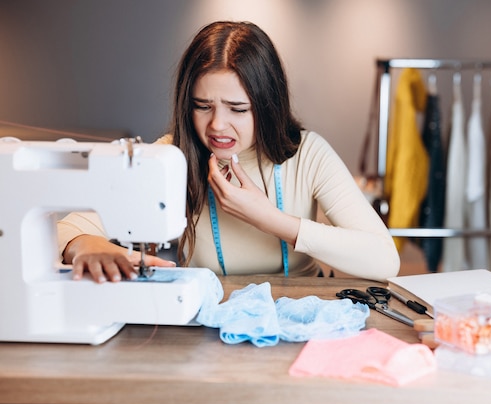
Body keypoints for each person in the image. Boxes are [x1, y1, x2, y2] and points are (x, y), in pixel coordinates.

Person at [57, 20, 400, 282]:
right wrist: (86, 243)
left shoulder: (308, 153)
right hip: (210, 318)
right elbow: (66, 228)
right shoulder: (171, 156)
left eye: (237, 109)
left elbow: (385, 259)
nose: (217, 125)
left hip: (301, 311)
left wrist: (271, 220)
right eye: (202, 106)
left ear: (267, 106)